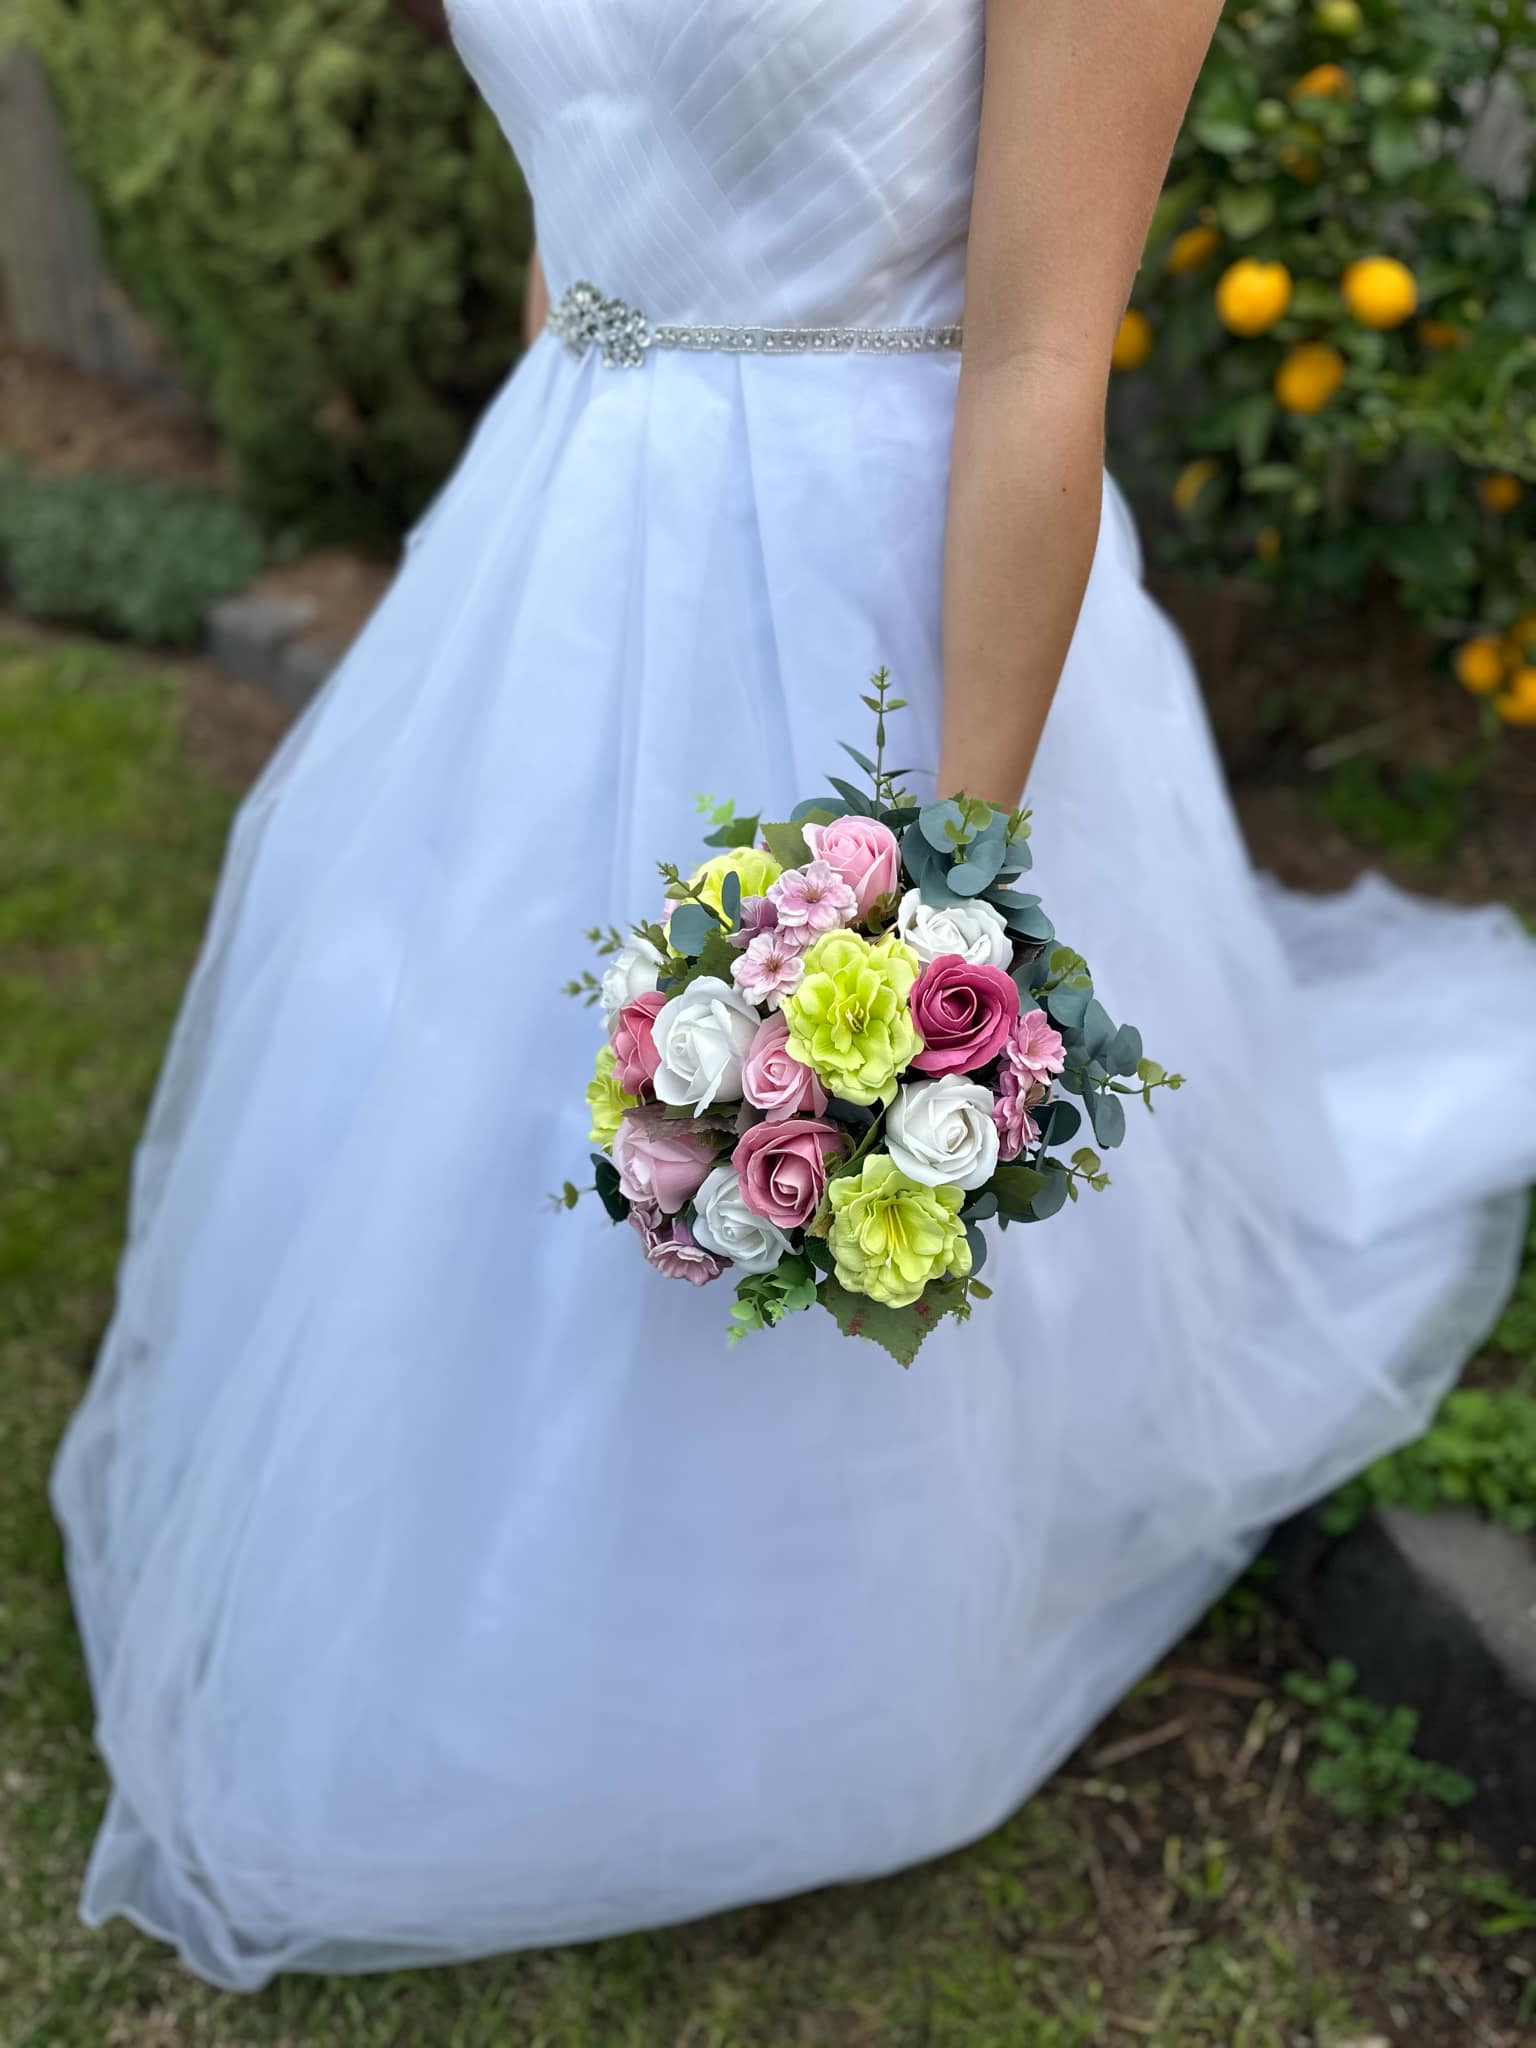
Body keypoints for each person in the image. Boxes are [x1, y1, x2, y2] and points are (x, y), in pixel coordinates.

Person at [53, 0, 1536, 1992]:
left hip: (880, 610)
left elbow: (1039, 353)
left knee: (814, 1151)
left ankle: (802, 1610)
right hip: (560, 546)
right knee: (458, 1120)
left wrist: (938, 910)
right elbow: (583, 212)